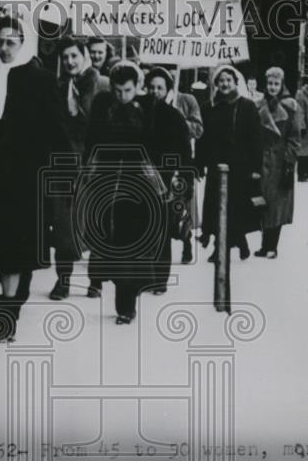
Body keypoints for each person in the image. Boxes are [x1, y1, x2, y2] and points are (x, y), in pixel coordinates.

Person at [0, 14, 69, 342]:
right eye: (1, 42)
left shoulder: (41, 80)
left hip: (24, 182)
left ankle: (9, 315)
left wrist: (59, 175)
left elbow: (56, 132)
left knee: (14, 251)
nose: (5, 48)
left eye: (12, 42)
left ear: (24, 44)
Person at [84, 62, 185, 322]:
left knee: (132, 246)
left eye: (128, 90)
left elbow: (170, 142)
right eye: (117, 90)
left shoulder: (151, 110)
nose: (122, 96)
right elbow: (91, 141)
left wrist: (167, 172)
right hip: (107, 184)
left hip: (138, 188)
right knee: (110, 242)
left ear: (138, 87)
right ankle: (117, 291)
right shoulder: (103, 106)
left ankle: (126, 305)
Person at [49, 37, 110, 300]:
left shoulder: (100, 84)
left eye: (74, 56)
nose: (70, 62)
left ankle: (96, 281)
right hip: (64, 165)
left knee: (96, 222)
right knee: (63, 225)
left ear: (84, 57)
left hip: (94, 163)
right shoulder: (60, 86)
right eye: (65, 58)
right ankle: (63, 280)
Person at [196, 64, 262, 261]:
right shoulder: (209, 107)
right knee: (216, 208)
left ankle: (227, 247)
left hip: (240, 167)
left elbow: (256, 139)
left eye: (228, 80)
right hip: (216, 166)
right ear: (216, 84)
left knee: (234, 207)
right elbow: (203, 138)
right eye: (221, 81)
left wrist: (255, 168)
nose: (225, 84)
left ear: (235, 83)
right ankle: (232, 244)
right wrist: (199, 162)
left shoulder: (247, 106)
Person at [146, 66, 203, 264]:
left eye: (159, 88)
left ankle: (186, 243)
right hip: (151, 172)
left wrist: (186, 176)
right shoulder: (143, 111)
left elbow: (189, 143)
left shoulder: (181, 106)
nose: (155, 92)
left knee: (176, 216)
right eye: (151, 87)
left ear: (168, 89)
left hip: (174, 172)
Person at [255, 67, 302, 258]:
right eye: (270, 84)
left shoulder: (291, 106)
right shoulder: (259, 105)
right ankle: (265, 245)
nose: (272, 87)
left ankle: (272, 246)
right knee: (264, 203)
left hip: (281, 161)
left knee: (278, 206)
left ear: (282, 84)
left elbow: (295, 136)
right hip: (263, 160)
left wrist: (289, 160)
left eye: (276, 84)